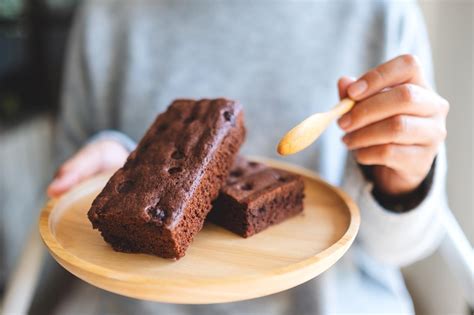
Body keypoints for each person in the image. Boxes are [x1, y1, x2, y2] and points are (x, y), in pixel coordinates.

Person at [44, 0, 449, 314]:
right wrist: (111, 160)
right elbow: (65, 208)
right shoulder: (109, 15)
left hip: (335, 302)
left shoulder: (379, 12)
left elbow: (404, 247)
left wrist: (401, 182)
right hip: (138, 304)